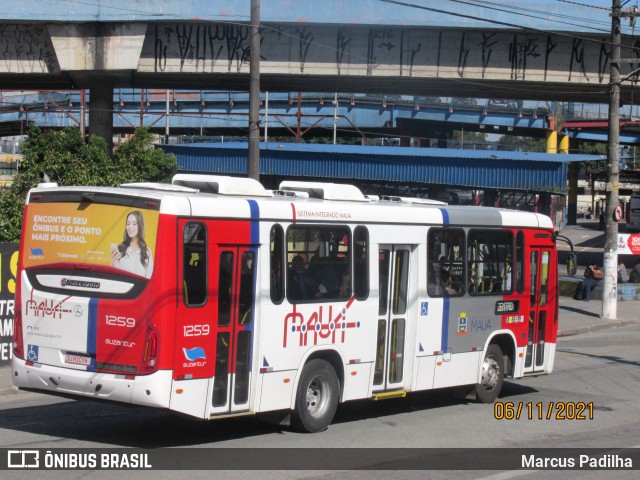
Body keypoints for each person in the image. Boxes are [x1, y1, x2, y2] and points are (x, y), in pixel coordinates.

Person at [111, 210, 154, 278]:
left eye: (134, 224)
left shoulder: (146, 252)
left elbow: (148, 278)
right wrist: (114, 261)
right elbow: (115, 276)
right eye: (128, 224)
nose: (130, 227)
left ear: (140, 226)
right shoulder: (120, 249)